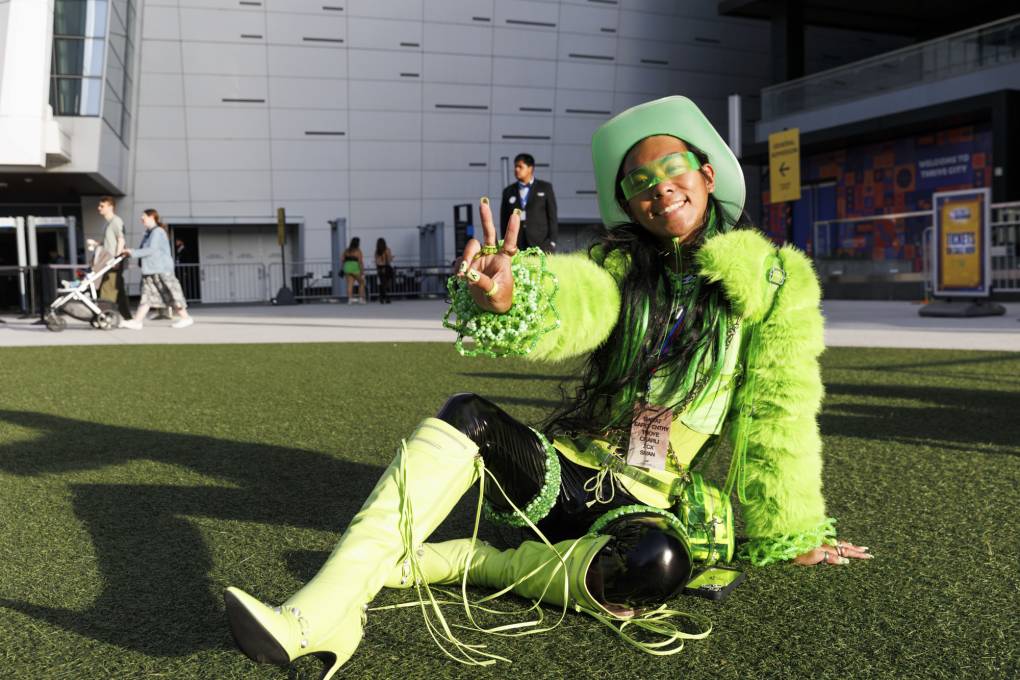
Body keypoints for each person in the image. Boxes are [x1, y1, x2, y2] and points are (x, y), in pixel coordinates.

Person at [223, 96, 870, 679]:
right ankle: (325, 608)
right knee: (468, 412)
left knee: (660, 562)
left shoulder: (774, 285)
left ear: (706, 176)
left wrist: (793, 527)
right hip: (560, 480)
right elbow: (576, 300)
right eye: (640, 182)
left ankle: (471, 563)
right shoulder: (620, 268)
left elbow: (784, 409)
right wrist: (511, 295)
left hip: (641, 505)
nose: (659, 189)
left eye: (672, 170)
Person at [118, 209, 194, 329]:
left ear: (152, 217)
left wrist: (132, 252)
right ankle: (137, 322)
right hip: (151, 270)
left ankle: (186, 318)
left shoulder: (158, 232)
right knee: (146, 295)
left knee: (172, 294)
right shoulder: (149, 233)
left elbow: (152, 250)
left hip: (161, 270)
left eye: (143, 216)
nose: (141, 219)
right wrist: (130, 253)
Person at [500, 153, 558, 252]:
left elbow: (552, 216)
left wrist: (552, 242)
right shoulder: (508, 191)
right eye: (515, 167)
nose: (516, 170)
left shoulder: (545, 187)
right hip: (517, 245)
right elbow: (504, 220)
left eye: (520, 167)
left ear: (530, 168)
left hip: (541, 244)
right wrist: (505, 242)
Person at [96, 196, 132, 319]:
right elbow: (109, 243)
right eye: (99, 206)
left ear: (110, 207)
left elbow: (121, 240)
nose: (99, 208)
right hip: (110, 261)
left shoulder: (116, 221)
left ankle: (105, 316)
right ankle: (127, 318)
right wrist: (96, 244)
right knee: (118, 289)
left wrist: (116, 259)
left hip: (113, 261)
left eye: (102, 206)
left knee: (108, 288)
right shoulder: (108, 223)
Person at [342, 237, 366, 304]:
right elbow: (360, 262)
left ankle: (350, 299)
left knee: (350, 284)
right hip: (355, 268)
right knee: (362, 282)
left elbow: (342, 260)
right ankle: (361, 299)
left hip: (347, 268)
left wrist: (344, 267)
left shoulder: (346, 250)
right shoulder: (358, 251)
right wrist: (362, 271)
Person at [374, 238, 395, 304]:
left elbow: (376, 261)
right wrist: (391, 258)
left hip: (379, 268)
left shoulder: (377, 251)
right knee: (387, 283)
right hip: (386, 267)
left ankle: (382, 297)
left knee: (382, 283)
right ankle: (387, 297)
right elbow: (389, 260)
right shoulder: (387, 250)